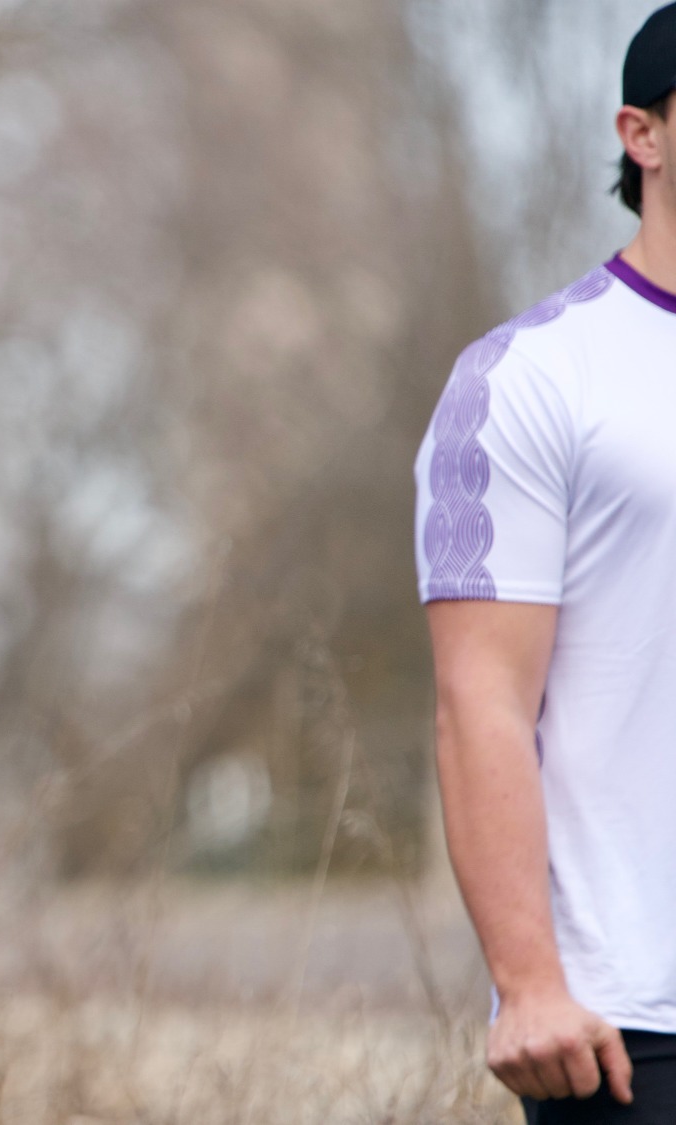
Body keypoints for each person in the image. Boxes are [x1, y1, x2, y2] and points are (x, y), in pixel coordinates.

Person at [416, 5, 676, 1121]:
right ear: (642, 134)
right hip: (631, 1018)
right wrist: (526, 986)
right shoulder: (529, 377)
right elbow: (478, 699)